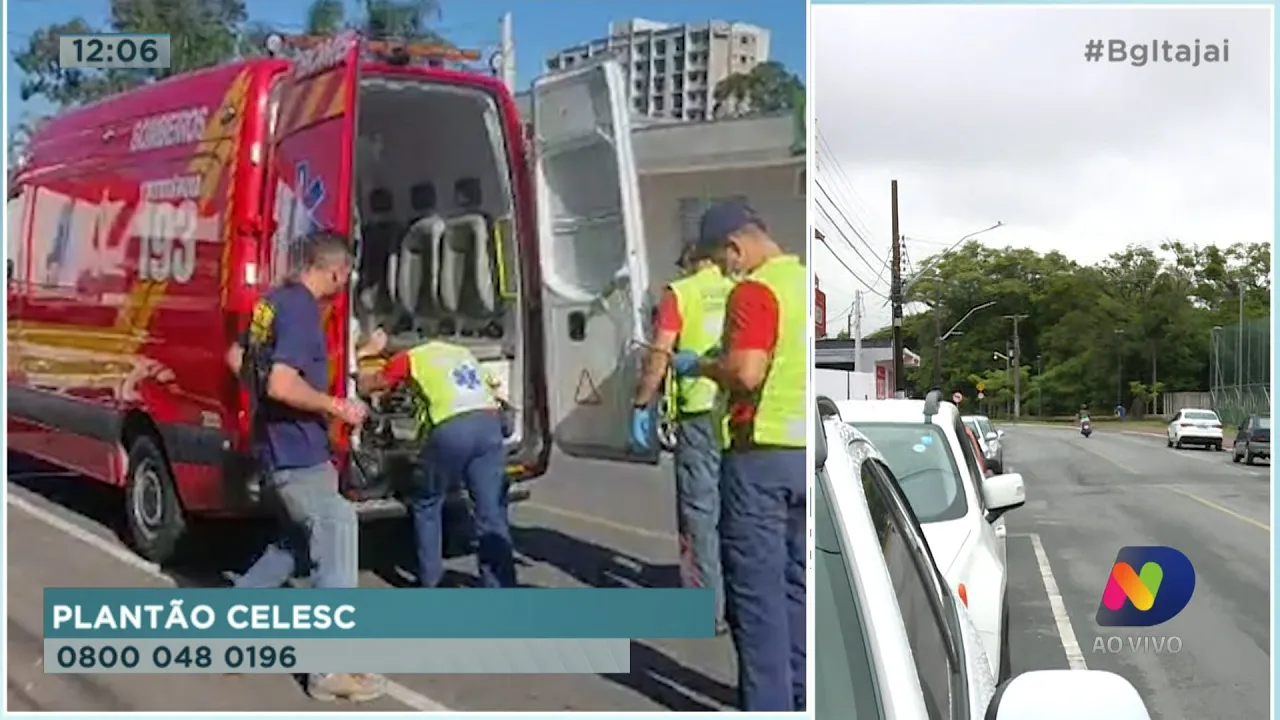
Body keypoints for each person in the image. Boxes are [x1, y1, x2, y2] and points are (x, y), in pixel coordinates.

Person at [224, 230, 386, 703]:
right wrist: (335, 406)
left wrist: (265, 411)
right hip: (298, 453)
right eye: (346, 274)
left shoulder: (269, 304)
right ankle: (329, 670)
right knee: (337, 529)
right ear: (336, 271)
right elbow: (279, 382)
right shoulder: (299, 310)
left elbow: (237, 357)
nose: (345, 281)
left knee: (294, 543)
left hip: (275, 449)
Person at [670, 201, 806, 711]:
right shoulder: (800, 283)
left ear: (735, 246)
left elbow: (748, 372)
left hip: (758, 459)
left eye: (722, 259)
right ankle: (797, 695)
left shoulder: (756, 289)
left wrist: (702, 366)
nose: (725, 271)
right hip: (801, 459)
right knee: (796, 589)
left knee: (756, 600)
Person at [355, 331, 516, 589]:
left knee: (427, 502)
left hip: (453, 430)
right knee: (490, 512)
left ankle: (431, 582)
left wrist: (363, 355)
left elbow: (371, 385)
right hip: (489, 425)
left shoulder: (411, 357)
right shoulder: (463, 353)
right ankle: (500, 587)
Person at [631, 239, 735, 636]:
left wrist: (642, 403)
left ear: (696, 259)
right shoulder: (740, 288)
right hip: (737, 414)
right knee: (736, 512)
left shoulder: (681, 293)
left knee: (699, 514)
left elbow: (660, 352)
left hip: (697, 415)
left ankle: (704, 610)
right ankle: (739, 600)